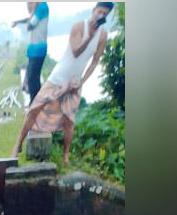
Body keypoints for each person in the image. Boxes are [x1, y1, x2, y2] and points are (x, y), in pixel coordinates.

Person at [13, 2, 113, 165]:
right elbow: (76, 51)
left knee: (69, 121)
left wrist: (82, 81)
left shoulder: (103, 35)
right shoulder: (78, 27)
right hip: (57, 77)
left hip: (74, 82)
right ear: (93, 11)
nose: (100, 15)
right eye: (99, 11)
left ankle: (65, 156)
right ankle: (18, 144)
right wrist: (89, 35)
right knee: (34, 109)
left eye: (104, 14)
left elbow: (95, 61)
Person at [12, 2, 51, 104]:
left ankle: (35, 105)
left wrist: (32, 9)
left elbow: (30, 25)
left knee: (33, 80)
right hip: (33, 49)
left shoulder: (42, 6)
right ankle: (35, 104)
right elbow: (29, 19)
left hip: (39, 49)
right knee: (31, 79)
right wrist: (17, 22)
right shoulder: (38, 9)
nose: (28, 4)